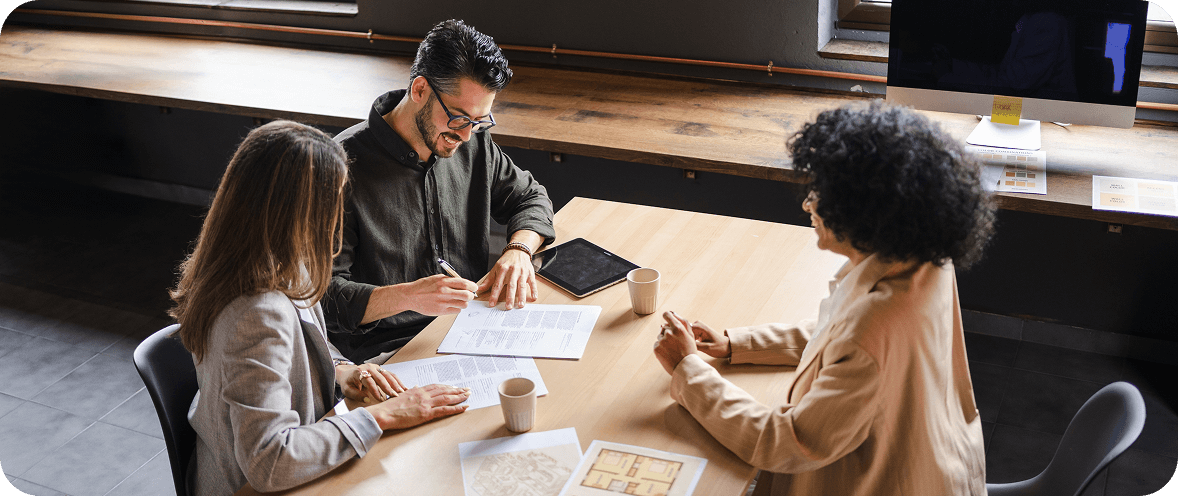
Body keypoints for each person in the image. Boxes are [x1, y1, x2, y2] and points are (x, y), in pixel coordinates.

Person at [653, 101, 996, 495]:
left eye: (820, 193)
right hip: (937, 464)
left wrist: (688, 370)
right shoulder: (925, 259)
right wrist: (738, 344)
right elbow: (843, 336)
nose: (808, 204)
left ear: (862, 212)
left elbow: (786, 443)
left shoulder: (872, 327)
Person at [169, 121, 471, 496]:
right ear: (301, 212)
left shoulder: (256, 259)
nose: (338, 218)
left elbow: (300, 342)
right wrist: (386, 415)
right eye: (335, 203)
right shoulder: (257, 313)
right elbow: (269, 461)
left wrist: (342, 370)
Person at [325, 19, 556, 364]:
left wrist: (519, 250)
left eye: (481, 122)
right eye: (460, 118)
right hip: (387, 354)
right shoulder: (337, 170)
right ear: (419, 90)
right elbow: (322, 298)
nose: (466, 136)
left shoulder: (473, 141)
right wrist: (408, 297)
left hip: (470, 327)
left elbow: (531, 197)